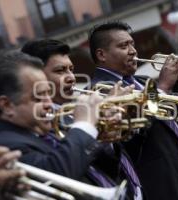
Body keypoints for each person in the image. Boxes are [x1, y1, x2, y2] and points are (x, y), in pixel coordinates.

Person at [89, 21, 178, 200]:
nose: (133, 51)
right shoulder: (99, 91)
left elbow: (170, 117)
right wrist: (162, 88)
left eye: (132, 44)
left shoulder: (142, 80)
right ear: (102, 55)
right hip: (158, 186)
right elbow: (128, 141)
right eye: (123, 46)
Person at [21, 39, 141, 200]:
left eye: (71, 69)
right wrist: (94, 123)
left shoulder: (74, 114)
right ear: (35, 77)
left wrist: (109, 126)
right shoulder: (41, 123)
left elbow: (109, 163)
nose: (71, 77)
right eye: (60, 71)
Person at [0, 51, 105, 181]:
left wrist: (100, 133)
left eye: (48, 93)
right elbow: (57, 175)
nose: (50, 104)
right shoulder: (1, 146)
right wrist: (84, 125)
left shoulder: (37, 132)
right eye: (39, 97)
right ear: (7, 105)